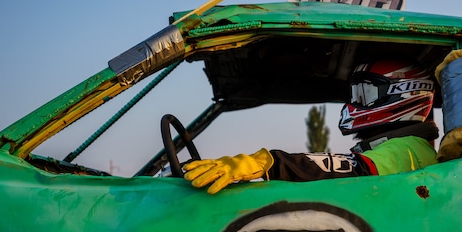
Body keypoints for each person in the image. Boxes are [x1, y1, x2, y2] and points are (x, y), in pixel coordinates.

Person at [183, 59, 439, 194]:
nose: (356, 102)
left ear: (406, 93)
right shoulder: (401, 147)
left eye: (365, 93)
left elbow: (351, 169)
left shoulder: (410, 149)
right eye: (355, 93)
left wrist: (268, 162)